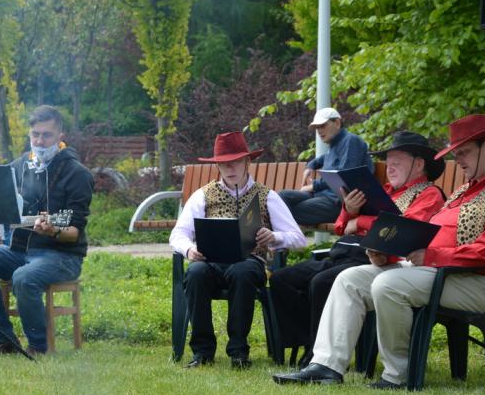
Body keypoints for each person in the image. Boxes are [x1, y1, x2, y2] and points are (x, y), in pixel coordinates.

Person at [273, 114, 485, 388]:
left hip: (471, 280)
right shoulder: (465, 189)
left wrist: (433, 256)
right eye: (456, 153)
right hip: (431, 270)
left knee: (388, 284)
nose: (457, 160)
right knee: (349, 280)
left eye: (464, 152)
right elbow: (423, 236)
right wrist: (386, 254)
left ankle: (398, 375)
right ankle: (326, 366)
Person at [269, 131, 446, 367]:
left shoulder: (428, 194)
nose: (390, 168)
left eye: (397, 162)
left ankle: (315, 355)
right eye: (388, 162)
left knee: (321, 282)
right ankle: (304, 341)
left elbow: (400, 230)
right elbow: (342, 227)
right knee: (282, 278)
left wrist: (358, 222)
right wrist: (349, 210)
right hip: (342, 252)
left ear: (419, 164)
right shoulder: (384, 191)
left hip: (374, 259)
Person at [169, 131, 306, 369]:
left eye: (235, 161)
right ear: (217, 166)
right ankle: (202, 352)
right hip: (210, 262)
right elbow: (177, 234)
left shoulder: (266, 196)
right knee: (196, 273)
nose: (230, 167)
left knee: (242, 273)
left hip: (249, 261)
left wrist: (274, 236)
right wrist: (190, 249)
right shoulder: (203, 195)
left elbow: (299, 239)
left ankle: (238, 351)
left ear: (247, 162)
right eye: (224, 163)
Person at [0, 105, 94, 355]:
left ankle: (38, 346)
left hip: (62, 256)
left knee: (23, 276)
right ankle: (3, 339)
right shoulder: (22, 165)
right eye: (35, 135)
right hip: (21, 250)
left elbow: (73, 230)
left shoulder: (77, 174)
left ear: (60, 136)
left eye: (46, 135)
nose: (40, 141)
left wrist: (53, 230)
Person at [278, 107, 371, 225]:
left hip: (339, 202)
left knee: (288, 211)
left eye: (323, 126)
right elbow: (322, 159)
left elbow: (343, 176)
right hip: (322, 197)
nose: (319, 131)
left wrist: (313, 186)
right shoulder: (334, 145)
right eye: (317, 128)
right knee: (282, 197)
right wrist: (310, 166)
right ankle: (278, 239)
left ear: (337, 123)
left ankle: (278, 240)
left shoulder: (351, 141)